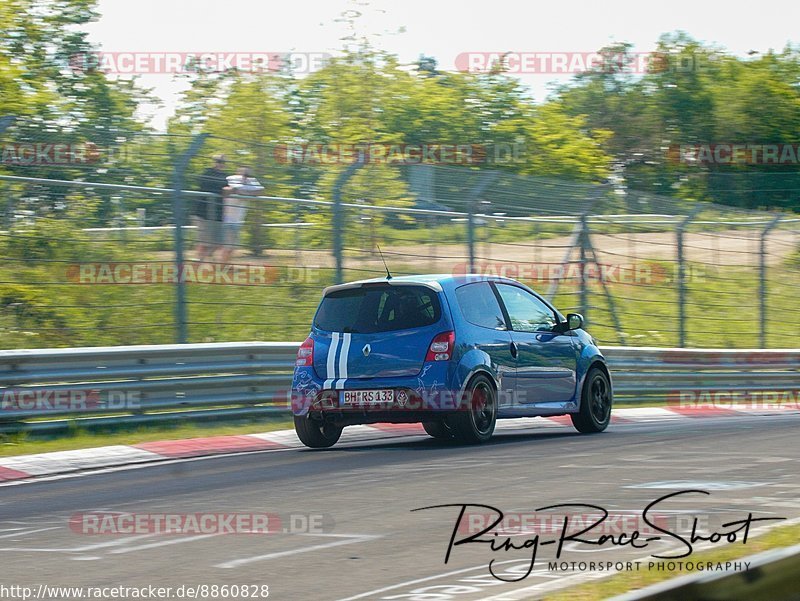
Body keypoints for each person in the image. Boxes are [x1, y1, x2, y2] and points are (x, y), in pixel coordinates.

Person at [221, 166, 264, 261]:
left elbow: (260, 191)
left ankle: (224, 265)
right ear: (238, 173)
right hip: (226, 219)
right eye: (244, 174)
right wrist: (246, 192)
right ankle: (222, 266)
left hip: (238, 220)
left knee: (231, 247)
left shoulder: (251, 181)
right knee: (227, 247)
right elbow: (227, 190)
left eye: (248, 175)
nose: (246, 177)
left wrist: (243, 193)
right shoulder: (231, 179)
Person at [194, 154, 230, 260]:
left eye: (223, 162)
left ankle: (204, 260)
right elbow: (208, 186)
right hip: (203, 212)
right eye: (218, 161)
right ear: (214, 162)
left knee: (218, 242)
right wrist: (225, 189)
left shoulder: (225, 176)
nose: (220, 164)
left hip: (218, 213)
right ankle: (199, 261)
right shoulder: (207, 173)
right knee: (204, 241)